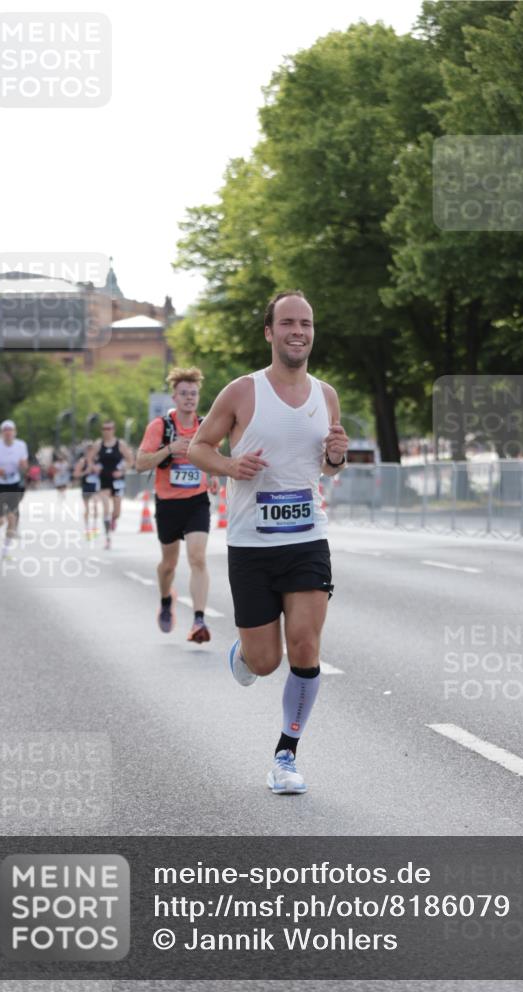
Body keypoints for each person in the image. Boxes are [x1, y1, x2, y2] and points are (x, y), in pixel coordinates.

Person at [188, 290, 349, 794]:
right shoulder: (242, 393)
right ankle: (245, 653)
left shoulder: (326, 395)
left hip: (307, 538)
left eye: (306, 323)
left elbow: (321, 466)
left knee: (305, 643)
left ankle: (286, 755)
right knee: (266, 661)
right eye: (288, 323)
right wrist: (231, 465)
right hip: (252, 544)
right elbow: (198, 447)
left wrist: (338, 458)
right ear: (269, 332)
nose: (298, 331)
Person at [136, 367, 219, 641]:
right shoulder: (160, 427)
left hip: (196, 501)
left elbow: (213, 457)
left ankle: (198, 620)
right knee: (168, 565)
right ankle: (165, 599)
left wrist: (214, 475)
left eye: (193, 394)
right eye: (183, 394)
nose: (189, 398)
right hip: (168, 504)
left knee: (197, 558)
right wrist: (170, 449)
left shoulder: (206, 425)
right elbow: (140, 463)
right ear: (174, 396)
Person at [0, 419, 29, 558]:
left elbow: (24, 465)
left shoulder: (21, 445)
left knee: (11, 517)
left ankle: (5, 550)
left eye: (10, 430)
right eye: (5, 430)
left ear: (14, 432)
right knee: (0, 519)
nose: (8, 433)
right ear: (2, 433)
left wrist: (23, 465)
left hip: (14, 483)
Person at [95, 420, 132, 549]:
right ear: (102, 430)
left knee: (116, 512)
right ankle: (107, 538)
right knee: (105, 508)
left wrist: (122, 470)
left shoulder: (120, 444)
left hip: (117, 480)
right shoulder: (98, 445)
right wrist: (95, 467)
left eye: (110, 428)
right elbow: (89, 459)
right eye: (105, 428)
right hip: (104, 479)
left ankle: (113, 520)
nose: (107, 431)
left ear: (114, 429)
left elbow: (130, 460)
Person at [74, 443, 101, 539]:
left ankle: (94, 527)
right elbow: (76, 474)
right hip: (85, 487)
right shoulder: (82, 461)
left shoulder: (97, 460)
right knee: (87, 509)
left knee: (95, 506)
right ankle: (87, 528)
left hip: (96, 487)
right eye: (89, 450)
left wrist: (95, 468)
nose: (90, 453)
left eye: (92, 450)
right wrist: (85, 472)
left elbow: (101, 471)